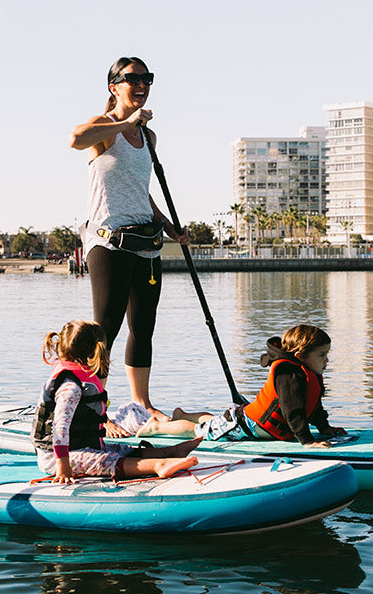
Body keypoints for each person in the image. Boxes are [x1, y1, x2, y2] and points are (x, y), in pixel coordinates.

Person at [68, 56, 189, 434]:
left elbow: (141, 191)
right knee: (105, 328)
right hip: (107, 241)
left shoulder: (148, 138)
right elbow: (74, 138)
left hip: (146, 243)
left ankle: (142, 403)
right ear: (113, 86)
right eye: (132, 78)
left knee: (144, 327)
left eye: (146, 78)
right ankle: (92, 406)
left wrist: (168, 225)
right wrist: (125, 122)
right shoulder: (107, 127)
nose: (141, 84)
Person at [32, 320, 201, 483]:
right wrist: (63, 465)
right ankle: (159, 464)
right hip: (56, 458)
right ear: (96, 352)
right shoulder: (70, 387)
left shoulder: (78, 381)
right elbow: (59, 427)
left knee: (120, 449)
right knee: (105, 460)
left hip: (77, 448)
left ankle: (169, 452)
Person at [171, 325, 347, 448]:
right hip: (245, 424)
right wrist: (307, 441)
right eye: (322, 355)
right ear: (300, 356)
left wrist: (324, 427)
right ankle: (155, 426)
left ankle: (183, 415)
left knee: (217, 421)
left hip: (249, 420)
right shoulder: (288, 374)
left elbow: (313, 406)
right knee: (199, 432)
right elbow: (292, 410)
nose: (327, 360)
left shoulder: (308, 373)